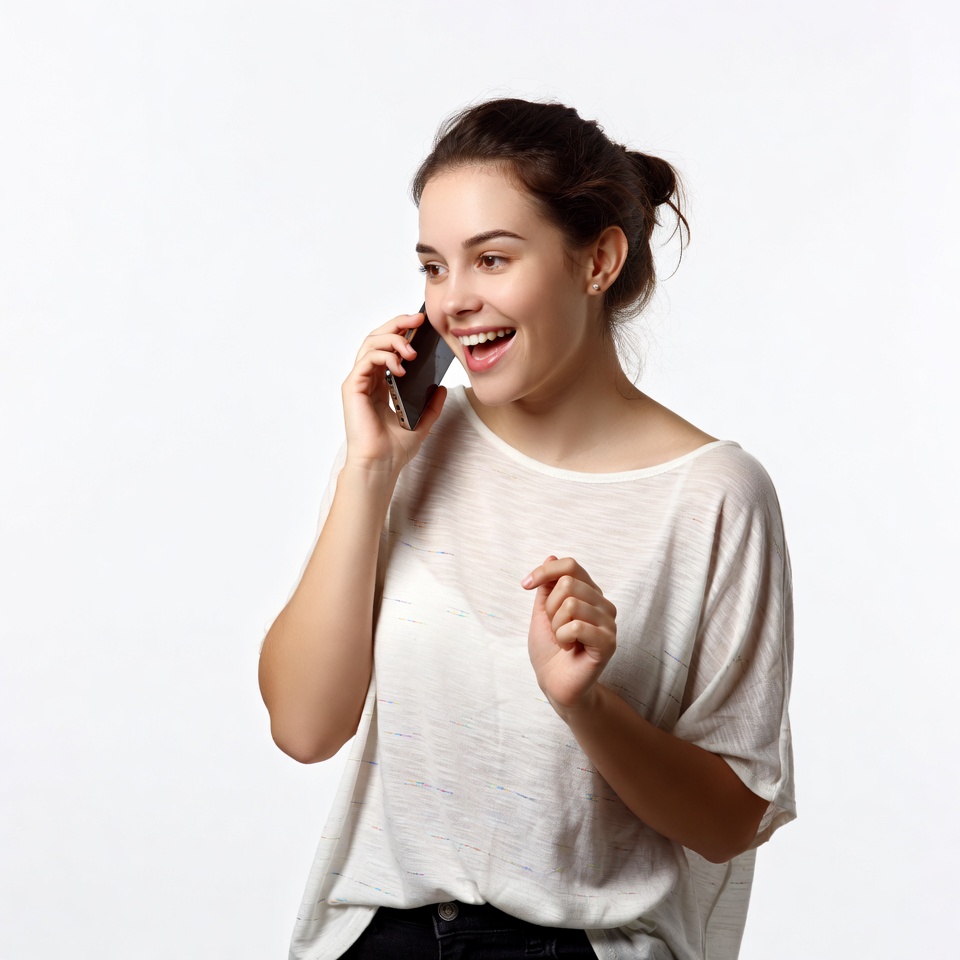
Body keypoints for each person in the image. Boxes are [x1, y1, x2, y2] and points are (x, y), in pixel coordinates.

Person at [259, 98, 795, 960]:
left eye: (492, 259)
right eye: (434, 268)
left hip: (580, 946)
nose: (454, 302)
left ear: (599, 260)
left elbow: (730, 821)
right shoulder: (405, 450)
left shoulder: (714, 495)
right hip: (381, 937)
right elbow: (304, 727)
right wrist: (369, 470)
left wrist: (586, 704)